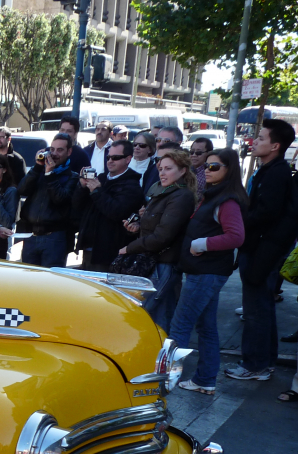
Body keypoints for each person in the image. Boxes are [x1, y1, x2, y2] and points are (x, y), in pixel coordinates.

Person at [169, 149, 248, 395]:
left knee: (180, 326)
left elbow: (236, 236)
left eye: (215, 167)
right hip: (204, 271)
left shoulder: (227, 200)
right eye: (206, 166)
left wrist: (201, 244)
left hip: (206, 272)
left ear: (229, 169)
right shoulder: (215, 196)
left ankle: (166, 380)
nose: (207, 170)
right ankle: (204, 379)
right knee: (205, 327)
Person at [226, 118, 298, 381]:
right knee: (261, 308)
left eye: (261, 138)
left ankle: (255, 365)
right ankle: (263, 363)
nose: (255, 141)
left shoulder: (276, 172)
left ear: (276, 145)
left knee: (256, 310)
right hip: (260, 248)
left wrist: (236, 223)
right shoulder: (271, 169)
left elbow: (266, 213)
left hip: (262, 250)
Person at [117, 149, 196, 331]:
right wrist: (137, 227)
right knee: (160, 318)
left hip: (164, 265)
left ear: (182, 171)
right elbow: (155, 228)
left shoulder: (181, 196)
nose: (162, 173)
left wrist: (129, 248)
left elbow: (163, 236)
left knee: (142, 316)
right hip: (156, 262)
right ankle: (160, 356)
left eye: (168, 169)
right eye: (160, 168)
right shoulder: (164, 192)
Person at [73, 140, 143, 272]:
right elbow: (77, 206)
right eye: (108, 157)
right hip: (89, 247)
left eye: (115, 158)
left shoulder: (132, 186)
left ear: (128, 159)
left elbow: (116, 211)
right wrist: (82, 187)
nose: (110, 161)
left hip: (109, 251)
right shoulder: (101, 178)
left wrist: (97, 192)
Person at [17, 133, 79, 267]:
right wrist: (38, 167)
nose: (54, 153)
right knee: (28, 281)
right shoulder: (39, 171)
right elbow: (22, 190)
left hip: (55, 238)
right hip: (31, 235)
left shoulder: (72, 177)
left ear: (69, 152)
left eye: (60, 150)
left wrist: (50, 174)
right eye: (52, 149)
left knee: (50, 283)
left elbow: (60, 199)